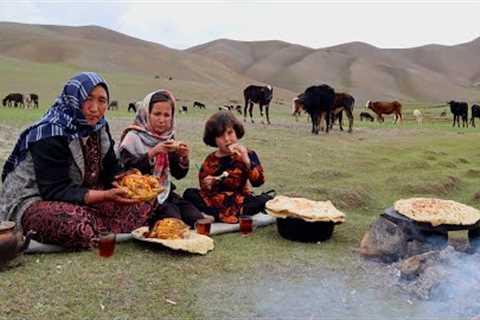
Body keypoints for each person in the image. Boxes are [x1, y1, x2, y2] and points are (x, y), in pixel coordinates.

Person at [0, 72, 152, 250]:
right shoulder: (50, 132)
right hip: (35, 201)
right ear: (73, 98)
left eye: (102, 101)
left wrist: (129, 181)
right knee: (74, 225)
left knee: (143, 202)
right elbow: (54, 189)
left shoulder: (99, 127)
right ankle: (98, 225)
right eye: (88, 99)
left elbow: (111, 168)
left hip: (80, 194)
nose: (95, 108)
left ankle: (97, 224)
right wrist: (105, 196)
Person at [118, 89, 211, 228]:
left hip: (165, 191)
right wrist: (153, 153)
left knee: (197, 219)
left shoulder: (168, 138)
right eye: (157, 114)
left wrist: (183, 158)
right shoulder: (132, 138)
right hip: (142, 197)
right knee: (173, 222)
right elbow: (125, 170)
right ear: (146, 113)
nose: (162, 120)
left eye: (167, 115)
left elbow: (178, 175)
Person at [183, 111, 272, 224]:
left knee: (265, 199)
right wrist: (208, 183)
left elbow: (258, 182)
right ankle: (223, 214)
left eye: (230, 133)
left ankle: (215, 216)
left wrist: (247, 161)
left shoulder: (248, 154)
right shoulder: (211, 159)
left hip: (240, 200)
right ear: (214, 139)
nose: (227, 139)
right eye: (220, 136)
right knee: (189, 193)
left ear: (236, 132)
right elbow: (204, 188)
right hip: (216, 201)